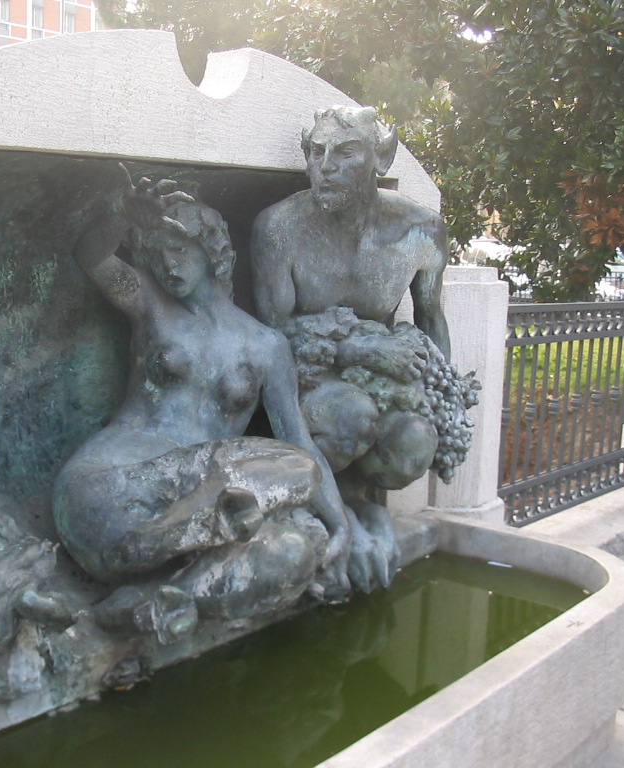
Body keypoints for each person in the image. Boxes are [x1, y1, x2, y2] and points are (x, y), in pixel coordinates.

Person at [53, 167, 384, 644]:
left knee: (293, 522)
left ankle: (156, 595)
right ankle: (193, 525)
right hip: (105, 487)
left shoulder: (266, 347)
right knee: (289, 475)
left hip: (186, 498)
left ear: (211, 252)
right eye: (160, 251)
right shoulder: (149, 305)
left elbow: (298, 441)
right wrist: (124, 216)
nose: (169, 264)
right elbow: (93, 257)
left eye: (181, 249)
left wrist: (340, 526)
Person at [251, 105, 455, 587]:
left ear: (380, 160)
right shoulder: (278, 228)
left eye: (345, 153)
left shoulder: (421, 231)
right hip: (308, 381)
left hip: (382, 381)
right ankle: (328, 514)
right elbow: (272, 337)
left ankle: (358, 504)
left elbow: (431, 321)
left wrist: (444, 401)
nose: (327, 166)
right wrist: (351, 351)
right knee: (351, 415)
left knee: (413, 447)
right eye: (316, 153)